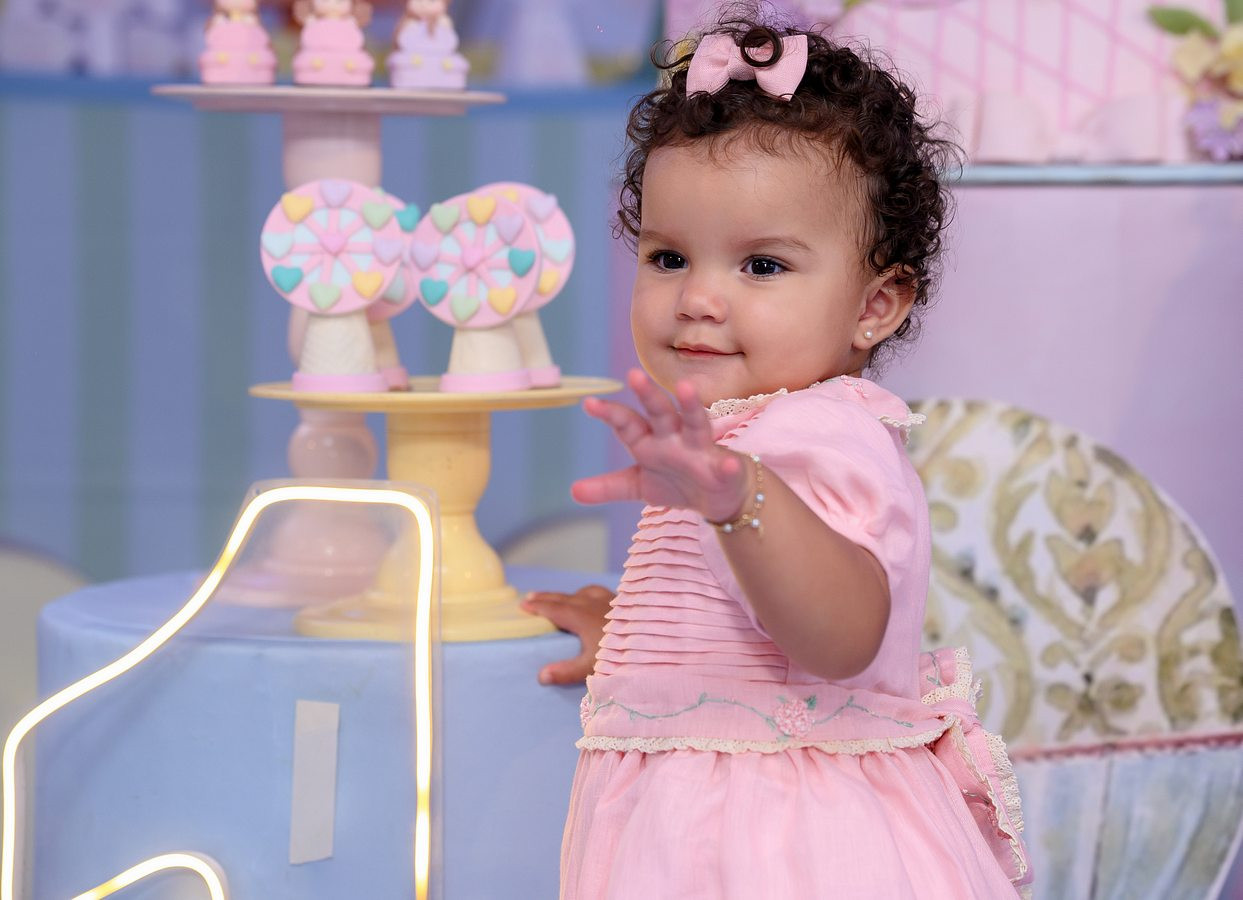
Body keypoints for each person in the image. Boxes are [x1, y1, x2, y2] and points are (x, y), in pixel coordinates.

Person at [521, 9, 1032, 899]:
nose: (698, 298)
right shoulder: (739, 437)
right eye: (668, 257)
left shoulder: (818, 435)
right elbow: (744, 637)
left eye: (761, 266)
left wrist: (737, 498)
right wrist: (637, 642)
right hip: (700, 831)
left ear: (874, 306)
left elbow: (840, 635)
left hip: (790, 848)